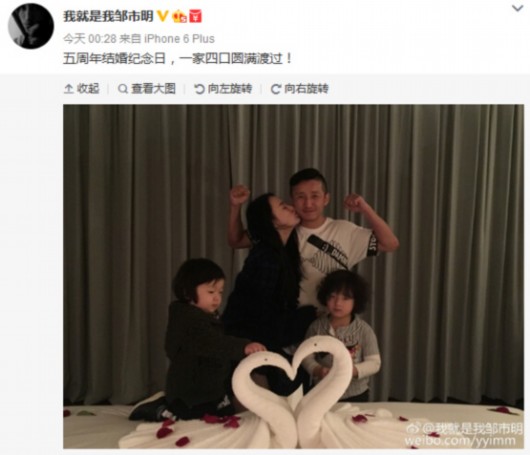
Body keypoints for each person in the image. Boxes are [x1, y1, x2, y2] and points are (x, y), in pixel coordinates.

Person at [228, 168, 399, 335]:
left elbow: (390, 244)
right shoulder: (280, 232)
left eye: (315, 196)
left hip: (330, 327)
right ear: (292, 200)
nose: (308, 203)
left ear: (326, 198)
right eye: (300, 197)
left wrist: (365, 209)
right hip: (288, 329)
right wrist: (235, 206)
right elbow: (236, 241)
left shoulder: (344, 230)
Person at [129, 258, 266, 422]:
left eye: (220, 292)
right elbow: (211, 343)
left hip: (211, 389)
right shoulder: (187, 320)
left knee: (226, 411)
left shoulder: (206, 316)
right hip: (191, 392)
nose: (217, 298)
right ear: (188, 293)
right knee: (190, 415)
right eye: (211, 292)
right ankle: (160, 409)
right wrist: (243, 347)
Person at [222, 193, 303, 393]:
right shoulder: (266, 257)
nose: (291, 207)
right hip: (251, 345)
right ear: (272, 222)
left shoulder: (283, 252)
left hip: (259, 344)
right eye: (283, 207)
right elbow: (258, 311)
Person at [302, 269, 381, 402]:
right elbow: (305, 357)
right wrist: (318, 370)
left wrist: (353, 371)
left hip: (355, 395)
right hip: (322, 392)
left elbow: (374, 363)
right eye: (332, 297)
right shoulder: (316, 327)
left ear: (356, 301)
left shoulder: (364, 330)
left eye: (345, 298)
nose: (338, 303)